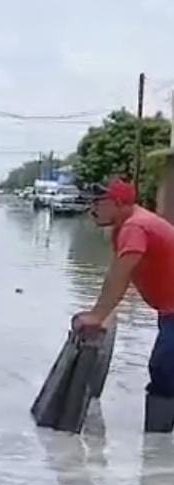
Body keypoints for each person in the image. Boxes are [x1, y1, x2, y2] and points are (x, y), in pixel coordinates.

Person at [73, 179, 174, 433]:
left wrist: (97, 315)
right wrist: (105, 312)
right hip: (169, 310)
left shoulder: (134, 227)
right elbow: (124, 274)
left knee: (163, 371)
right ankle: (159, 455)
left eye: (98, 203)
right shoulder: (128, 226)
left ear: (117, 204)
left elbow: (118, 276)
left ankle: (155, 450)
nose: (92, 208)